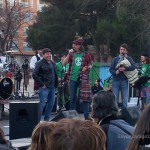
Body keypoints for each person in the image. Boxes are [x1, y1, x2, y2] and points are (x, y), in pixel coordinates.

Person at [63, 39, 93, 120]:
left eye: (75, 45)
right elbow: (64, 63)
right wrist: (68, 54)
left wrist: (86, 67)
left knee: (85, 97)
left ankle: (86, 115)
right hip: (72, 78)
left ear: (79, 45)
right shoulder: (72, 54)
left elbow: (91, 64)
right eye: (73, 45)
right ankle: (72, 116)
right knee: (72, 98)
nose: (74, 46)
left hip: (83, 78)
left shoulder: (86, 54)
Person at [33, 48, 58, 121]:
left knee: (51, 104)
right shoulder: (39, 63)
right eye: (47, 54)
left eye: (50, 54)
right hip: (44, 87)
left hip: (52, 87)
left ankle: (46, 120)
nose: (49, 55)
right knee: (42, 104)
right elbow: (34, 74)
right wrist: (41, 84)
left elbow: (54, 74)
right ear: (43, 55)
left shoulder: (53, 63)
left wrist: (56, 83)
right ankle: (37, 121)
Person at [109, 43, 136, 109]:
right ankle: (115, 114)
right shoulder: (115, 59)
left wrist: (125, 68)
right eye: (121, 49)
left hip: (124, 81)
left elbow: (134, 66)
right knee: (115, 99)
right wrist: (115, 72)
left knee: (125, 99)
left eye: (123, 50)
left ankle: (125, 114)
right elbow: (110, 69)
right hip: (115, 81)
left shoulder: (129, 58)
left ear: (126, 51)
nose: (122, 51)